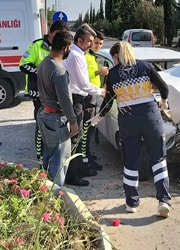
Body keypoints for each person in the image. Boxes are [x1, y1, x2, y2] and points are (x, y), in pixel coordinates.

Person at [94, 41, 171, 218]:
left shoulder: (112, 74)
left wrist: (100, 116)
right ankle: (163, 201)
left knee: (130, 162)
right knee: (158, 159)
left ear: (116, 56)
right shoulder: (144, 66)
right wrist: (163, 102)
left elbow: (108, 101)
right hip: (151, 118)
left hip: (128, 122)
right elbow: (164, 88)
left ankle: (131, 203)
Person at [19, 20, 70, 162]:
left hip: (55, 95)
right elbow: (23, 65)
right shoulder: (37, 45)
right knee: (41, 126)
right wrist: (42, 73)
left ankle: (50, 157)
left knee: (53, 130)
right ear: (53, 33)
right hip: (39, 93)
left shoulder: (61, 49)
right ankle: (41, 158)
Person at [62, 24, 106, 186]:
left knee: (76, 137)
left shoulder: (75, 53)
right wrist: (101, 91)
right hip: (76, 100)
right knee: (75, 137)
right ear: (79, 40)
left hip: (76, 98)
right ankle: (72, 175)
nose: (91, 45)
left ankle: (76, 170)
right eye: (89, 41)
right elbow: (82, 84)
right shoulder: (77, 56)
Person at [36, 30, 79, 187]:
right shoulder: (59, 70)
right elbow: (65, 100)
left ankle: (44, 191)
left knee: (48, 157)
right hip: (55, 119)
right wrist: (73, 122)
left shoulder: (44, 63)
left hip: (44, 115)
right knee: (59, 162)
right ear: (66, 48)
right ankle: (56, 198)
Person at [82, 29, 108, 169]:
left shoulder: (93, 56)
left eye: (100, 44)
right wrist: (98, 71)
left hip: (94, 94)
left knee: (90, 128)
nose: (98, 46)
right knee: (86, 128)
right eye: (96, 43)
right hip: (86, 96)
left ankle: (87, 154)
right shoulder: (85, 56)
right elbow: (83, 77)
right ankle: (84, 159)